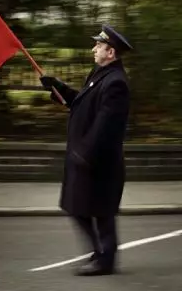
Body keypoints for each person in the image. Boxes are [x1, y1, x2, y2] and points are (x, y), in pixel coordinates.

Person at [39, 24, 132, 276]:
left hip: (99, 164)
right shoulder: (100, 73)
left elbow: (105, 126)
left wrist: (85, 153)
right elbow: (83, 104)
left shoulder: (116, 83)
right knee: (77, 207)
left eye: (98, 46)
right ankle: (100, 253)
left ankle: (105, 259)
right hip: (86, 159)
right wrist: (58, 88)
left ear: (110, 52)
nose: (94, 48)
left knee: (101, 212)